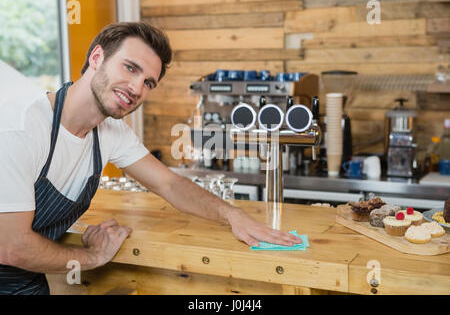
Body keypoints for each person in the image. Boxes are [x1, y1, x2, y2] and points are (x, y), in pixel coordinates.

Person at [0, 22, 302, 295]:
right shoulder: (20, 126)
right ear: (96, 58)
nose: (136, 89)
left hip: (28, 283)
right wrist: (94, 257)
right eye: (130, 68)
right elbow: (11, 247)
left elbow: (170, 185)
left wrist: (233, 216)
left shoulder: (111, 132)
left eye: (148, 82)